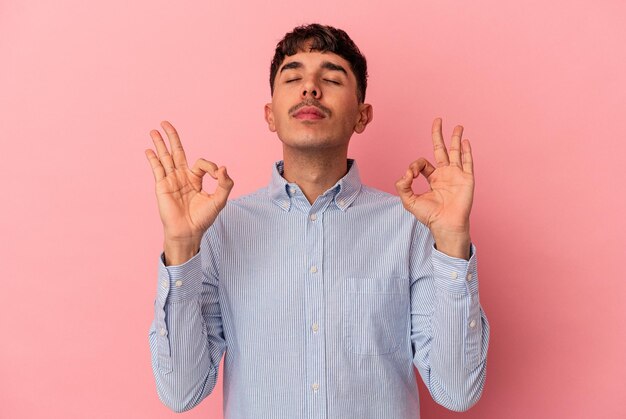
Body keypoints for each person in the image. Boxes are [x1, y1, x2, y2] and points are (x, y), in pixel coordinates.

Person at [145, 23, 489, 419]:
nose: (310, 88)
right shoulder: (220, 228)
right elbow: (180, 391)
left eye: (330, 78)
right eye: (293, 77)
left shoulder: (410, 226)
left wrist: (452, 241)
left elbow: (458, 390)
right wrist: (180, 246)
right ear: (270, 115)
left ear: (362, 115)